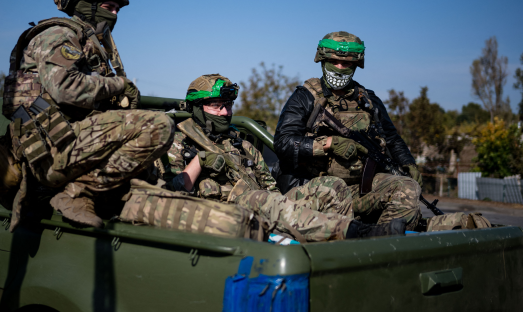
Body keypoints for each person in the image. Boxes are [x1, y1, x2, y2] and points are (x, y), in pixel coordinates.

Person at [3, 0, 174, 229]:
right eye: (109, 7)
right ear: (86, 5)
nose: (114, 15)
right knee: (158, 126)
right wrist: (119, 85)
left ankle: (87, 192)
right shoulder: (59, 34)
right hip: (50, 151)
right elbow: (64, 88)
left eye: (118, 9)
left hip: (69, 144)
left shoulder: (89, 42)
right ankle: (76, 193)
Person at [160, 74, 406, 242]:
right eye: (217, 106)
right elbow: (172, 196)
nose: (226, 112)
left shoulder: (239, 142)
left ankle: (336, 249)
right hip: (221, 216)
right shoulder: (179, 143)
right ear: (196, 108)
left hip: (265, 207)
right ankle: (358, 234)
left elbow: (270, 187)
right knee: (261, 200)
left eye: (229, 105)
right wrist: (199, 162)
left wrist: (285, 208)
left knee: (332, 186)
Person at [274, 31, 422, 231]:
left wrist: (407, 163)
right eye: (334, 62)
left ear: (356, 65)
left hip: (359, 188)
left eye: (347, 64)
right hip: (317, 188)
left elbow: (392, 138)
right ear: (323, 60)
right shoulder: (305, 98)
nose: (340, 68)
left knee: (407, 188)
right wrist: (328, 144)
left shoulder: (368, 100)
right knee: (334, 191)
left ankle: (385, 245)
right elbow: (283, 142)